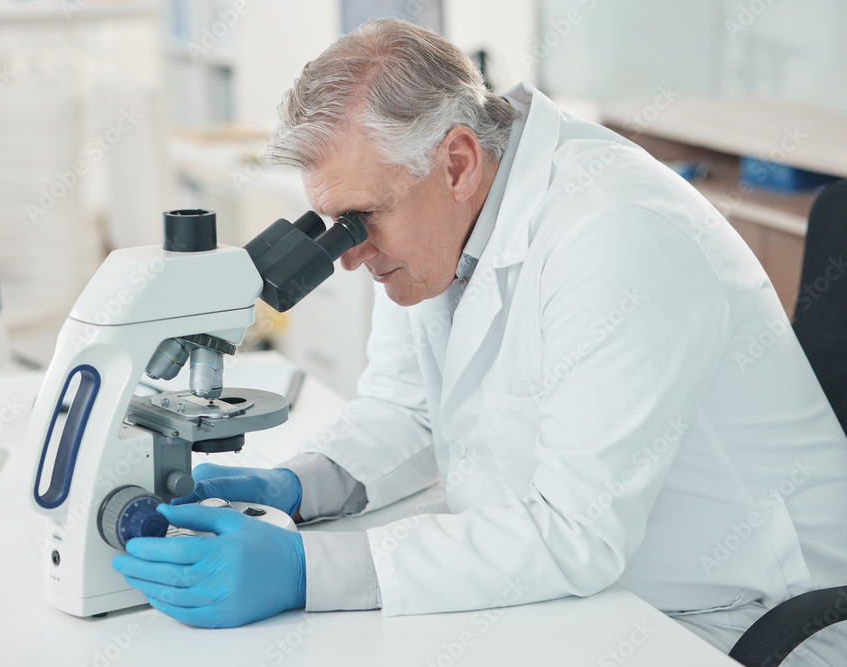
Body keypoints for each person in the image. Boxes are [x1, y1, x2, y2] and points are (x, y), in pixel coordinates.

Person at [111, 18, 847, 660]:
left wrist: (309, 569)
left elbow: (574, 534)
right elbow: (407, 410)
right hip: (603, 590)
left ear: (457, 161)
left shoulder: (617, 233)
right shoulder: (435, 220)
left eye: (359, 221)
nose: (347, 254)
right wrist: (301, 484)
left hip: (739, 618)